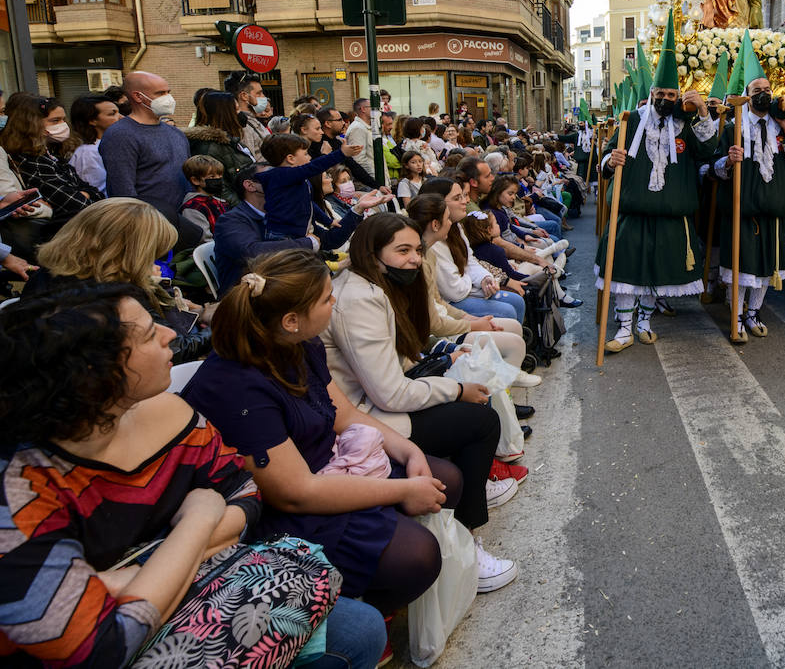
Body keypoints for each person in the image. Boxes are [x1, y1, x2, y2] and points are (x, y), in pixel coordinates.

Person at [0, 285, 381, 667]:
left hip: (181, 594)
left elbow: (244, 495)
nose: (172, 334)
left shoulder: (170, 412)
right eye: (151, 333)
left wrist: (121, 581)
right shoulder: (20, 493)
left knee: (363, 627)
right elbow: (99, 650)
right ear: (94, 373)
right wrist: (197, 521)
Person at [179, 249, 501, 636]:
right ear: (291, 320)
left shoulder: (300, 345)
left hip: (327, 466)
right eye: (327, 299)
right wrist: (400, 487)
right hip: (286, 512)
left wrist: (410, 453)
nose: (335, 304)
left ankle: (375, 577)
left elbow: (344, 414)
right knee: (419, 555)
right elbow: (294, 493)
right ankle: (350, 612)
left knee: (442, 477)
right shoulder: (236, 386)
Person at [321, 215, 520, 544]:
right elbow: (391, 394)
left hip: (374, 398)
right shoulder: (358, 299)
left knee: (477, 382)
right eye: (402, 250)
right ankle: (468, 535)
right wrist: (456, 389)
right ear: (371, 254)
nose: (414, 258)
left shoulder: (379, 285)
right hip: (365, 414)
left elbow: (405, 351)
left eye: (416, 249)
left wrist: (442, 364)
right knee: (480, 421)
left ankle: (478, 484)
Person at [598, 24, 717, 352]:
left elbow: (708, 151)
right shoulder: (630, 121)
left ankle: (645, 322)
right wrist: (612, 160)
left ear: (678, 97)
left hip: (670, 217)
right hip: (631, 214)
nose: (665, 100)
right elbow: (605, 162)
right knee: (627, 272)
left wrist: (703, 111)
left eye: (671, 96)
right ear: (651, 95)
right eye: (660, 95)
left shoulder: (686, 125)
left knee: (656, 273)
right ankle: (624, 328)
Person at [33, 198, 213, 363]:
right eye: (151, 255)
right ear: (128, 254)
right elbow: (174, 350)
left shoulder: (48, 275)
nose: (153, 262)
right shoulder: (115, 296)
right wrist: (224, 326)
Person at [712, 42, 785, 341]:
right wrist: (728, 160)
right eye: (757, 91)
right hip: (742, 209)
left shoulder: (783, 126)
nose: (764, 94)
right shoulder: (733, 128)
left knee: (767, 267)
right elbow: (713, 168)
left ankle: (754, 312)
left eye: (767, 89)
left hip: (774, 211)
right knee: (743, 265)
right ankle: (736, 315)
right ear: (747, 98)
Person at [405, 192, 534, 382]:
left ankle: (505, 381)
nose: (451, 222)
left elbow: (439, 300)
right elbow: (438, 315)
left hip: (447, 317)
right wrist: (472, 324)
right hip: (436, 333)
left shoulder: (431, 252)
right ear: (435, 224)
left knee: (514, 326)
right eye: (447, 218)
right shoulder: (421, 260)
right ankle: (500, 391)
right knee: (514, 341)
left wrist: (471, 318)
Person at [214, 163, 387, 287]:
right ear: (250, 186)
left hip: (294, 286)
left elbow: (329, 240)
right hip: (249, 300)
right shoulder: (232, 220)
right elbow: (252, 253)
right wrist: (307, 243)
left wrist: (357, 209)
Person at [419, 176, 529, 323]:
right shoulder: (433, 241)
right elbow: (454, 291)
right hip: (452, 302)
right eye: (458, 197)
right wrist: (476, 282)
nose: (466, 201)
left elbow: (469, 261)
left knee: (517, 301)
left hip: (466, 290)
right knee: (507, 310)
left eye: (464, 195)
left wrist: (485, 278)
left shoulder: (456, 227)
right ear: (437, 204)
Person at [100, 70, 191, 226]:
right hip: (149, 225)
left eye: (168, 92)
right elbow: (123, 192)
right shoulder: (121, 135)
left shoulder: (176, 133)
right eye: (160, 93)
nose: (168, 98)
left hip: (182, 221)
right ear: (138, 97)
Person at [0, 93, 102, 225]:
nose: (63, 125)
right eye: (55, 120)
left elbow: (95, 193)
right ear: (30, 124)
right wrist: (82, 195)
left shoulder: (51, 153)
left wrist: (86, 193)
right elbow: (78, 205)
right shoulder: (32, 163)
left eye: (63, 119)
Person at [258, 133, 364, 240]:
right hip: (282, 236)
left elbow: (308, 203)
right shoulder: (281, 176)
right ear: (291, 158)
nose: (309, 158)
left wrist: (328, 221)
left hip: (298, 234)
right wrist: (341, 153)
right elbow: (314, 167)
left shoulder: (296, 178)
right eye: (306, 154)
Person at [185, 90, 257, 193]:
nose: (240, 114)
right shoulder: (208, 148)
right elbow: (221, 191)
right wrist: (245, 206)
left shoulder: (231, 141)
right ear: (224, 115)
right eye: (236, 110)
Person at [68, 92, 121, 193]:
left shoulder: (112, 144)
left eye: (118, 112)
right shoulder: (89, 153)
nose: (121, 117)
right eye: (112, 114)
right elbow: (97, 190)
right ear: (92, 120)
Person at [224, 70, 271, 162]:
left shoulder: (252, 120)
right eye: (259, 93)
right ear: (244, 96)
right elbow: (249, 162)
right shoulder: (243, 126)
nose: (263, 97)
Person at [180, 154, 228, 242]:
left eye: (220, 176)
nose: (218, 179)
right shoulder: (193, 208)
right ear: (195, 180)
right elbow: (204, 240)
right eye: (212, 177)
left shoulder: (220, 202)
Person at [346, 97, 375, 178]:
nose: (375, 110)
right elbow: (359, 159)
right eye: (371, 107)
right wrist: (374, 179)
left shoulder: (366, 127)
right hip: (370, 181)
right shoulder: (357, 128)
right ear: (363, 109)